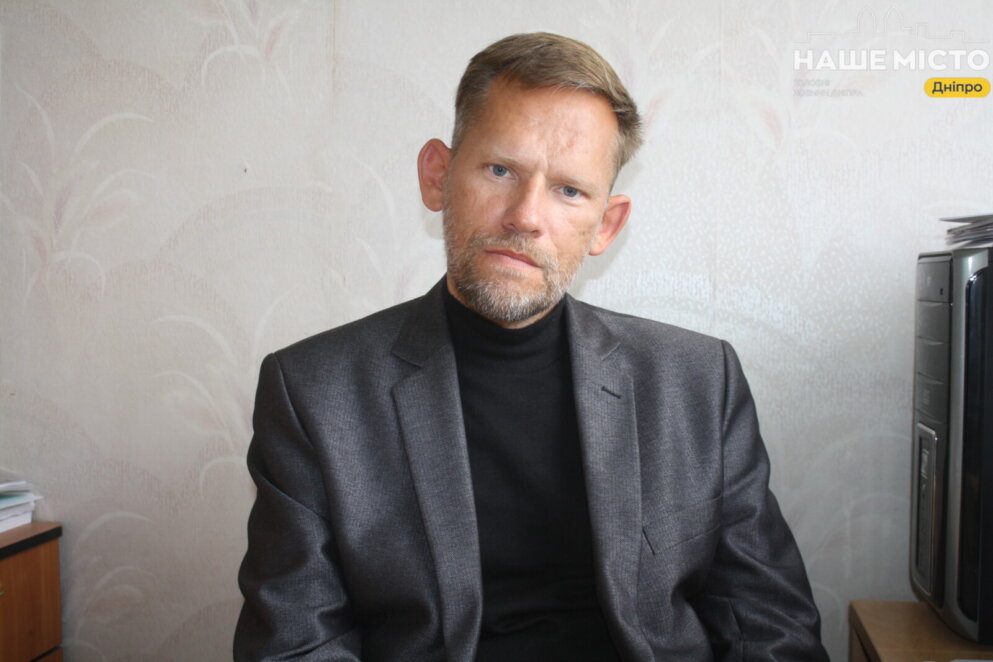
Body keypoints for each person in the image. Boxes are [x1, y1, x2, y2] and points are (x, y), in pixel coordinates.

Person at [234, 32, 829, 662]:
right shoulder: (313, 393)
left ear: (605, 225)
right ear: (438, 176)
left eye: (569, 190)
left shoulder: (698, 382)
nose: (525, 216)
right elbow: (296, 643)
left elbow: (769, 625)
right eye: (500, 170)